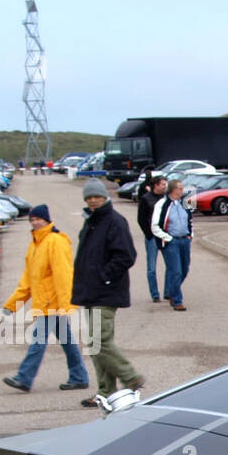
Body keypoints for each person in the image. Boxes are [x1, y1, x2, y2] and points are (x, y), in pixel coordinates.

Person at [1, 205, 90, 393]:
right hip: (44, 302)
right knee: (67, 341)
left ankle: (24, 377)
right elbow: (28, 279)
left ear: (47, 220)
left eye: (38, 219)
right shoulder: (35, 243)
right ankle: (79, 377)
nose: (34, 222)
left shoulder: (55, 241)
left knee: (38, 340)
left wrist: (66, 303)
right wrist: (13, 304)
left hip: (53, 303)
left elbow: (64, 274)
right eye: (31, 220)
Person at [73, 178, 143, 409]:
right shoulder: (91, 221)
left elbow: (126, 256)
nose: (93, 200)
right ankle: (106, 392)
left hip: (106, 291)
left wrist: (105, 276)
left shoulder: (114, 221)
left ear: (105, 197)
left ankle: (130, 376)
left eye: (97, 196)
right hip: (91, 292)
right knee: (94, 345)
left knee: (100, 341)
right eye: (89, 197)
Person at [151, 178, 192, 311]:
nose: (183, 190)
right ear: (173, 190)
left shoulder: (184, 203)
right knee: (176, 271)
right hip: (171, 241)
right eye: (180, 188)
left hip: (184, 240)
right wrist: (167, 238)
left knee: (184, 269)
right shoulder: (161, 204)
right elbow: (155, 225)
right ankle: (177, 300)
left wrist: (190, 234)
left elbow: (190, 220)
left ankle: (170, 291)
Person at [137, 174, 167, 302]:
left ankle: (168, 292)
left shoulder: (167, 199)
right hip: (152, 237)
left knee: (170, 266)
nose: (165, 186)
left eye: (166, 184)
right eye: (163, 184)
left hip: (165, 236)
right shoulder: (146, 199)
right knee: (151, 268)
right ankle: (155, 294)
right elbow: (141, 219)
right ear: (156, 185)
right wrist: (148, 234)